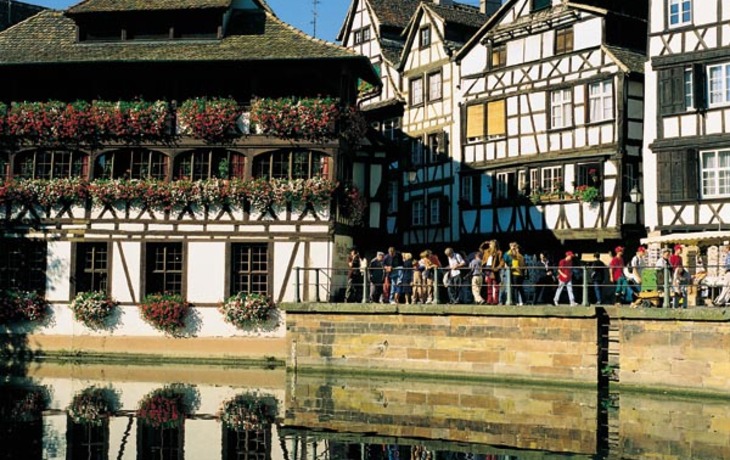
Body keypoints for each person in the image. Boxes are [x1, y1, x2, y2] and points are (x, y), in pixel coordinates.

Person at [483, 240, 503, 305]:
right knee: (489, 286)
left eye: (491, 244)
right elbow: (480, 249)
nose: (489, 245)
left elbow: (502, 262)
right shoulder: (487, 251)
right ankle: (489, 300)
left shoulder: (499, 252)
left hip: (494, 270)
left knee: (495, 285)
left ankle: (495, 300)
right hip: (487, 269)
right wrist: (484, 243)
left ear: (494, 245)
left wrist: (497, 268)